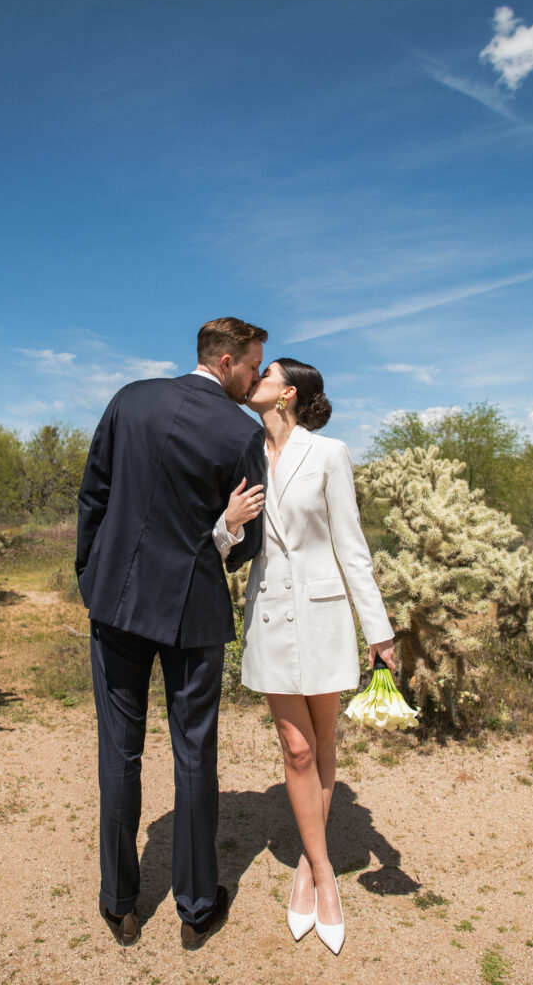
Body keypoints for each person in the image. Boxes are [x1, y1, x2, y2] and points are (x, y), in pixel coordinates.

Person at [76, 317, 268, 950]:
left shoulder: (129, 399)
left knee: (119, 753)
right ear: (223, 358)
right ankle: (195, 907)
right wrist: (225, 531)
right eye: (251, 366)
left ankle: (119, 903)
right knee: (194, 756)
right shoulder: (240, 433)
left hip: (118, 604)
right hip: (192, 613)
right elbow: (244, 547)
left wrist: (91, 577)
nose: (255, 378)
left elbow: (94, 495)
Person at [213, 358, 395, 955]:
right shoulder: (242, 451)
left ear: (286, 393)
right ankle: (322, 873)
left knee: (322, 746)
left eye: (265, 373)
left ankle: (305, 865)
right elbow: (227, 543)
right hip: (267, 616)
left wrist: (379, 631)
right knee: (295, 749)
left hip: (321, 616)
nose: (254, 379)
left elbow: (352, 545)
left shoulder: (329, 454)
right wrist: (226, 527)